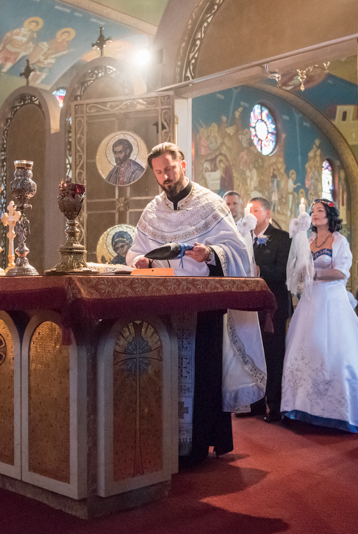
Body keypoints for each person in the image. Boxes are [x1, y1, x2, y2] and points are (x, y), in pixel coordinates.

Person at [127, 142, 266, 467]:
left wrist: (211, 254)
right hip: (164, 304)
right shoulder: (152, 210)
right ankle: (167, 442)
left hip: (204, 305)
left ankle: (201, 442)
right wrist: (142, 262)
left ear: (183, 165)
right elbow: (134, 252)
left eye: (169, 169)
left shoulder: (209, 203)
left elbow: (237, 251)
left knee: (202, 373)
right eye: (159, 172)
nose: (165, 177)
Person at [281, 199, 358, 431]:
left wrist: (314, 275)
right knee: (306, 349)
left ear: (329, 215)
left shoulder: (339, 241)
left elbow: (341, 272)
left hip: (332, 302)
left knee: (332, 350)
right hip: (310, 303)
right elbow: (298, 273)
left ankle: (338, 411)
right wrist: (298, 275)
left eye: (320, 211)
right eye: (313, 211)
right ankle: (302, 407)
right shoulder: (307, 241)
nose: (315, 214)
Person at [246, 197, 292, 422]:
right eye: (249, 210)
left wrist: (258, 269)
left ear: (267, 213)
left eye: (255, 210)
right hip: (250, 305)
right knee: (253, 353)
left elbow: (283, 274)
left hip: (273, 306)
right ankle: (255, 403)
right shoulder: (245, 238)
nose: (251, 214)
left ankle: (274, 406)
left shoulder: (281, 238)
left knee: (273, 356)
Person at [223, 190, 256, 266]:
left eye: (235, 203)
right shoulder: (220, 227)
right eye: (228, 204)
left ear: (241, 205)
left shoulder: (250, 226)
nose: (231, 207)